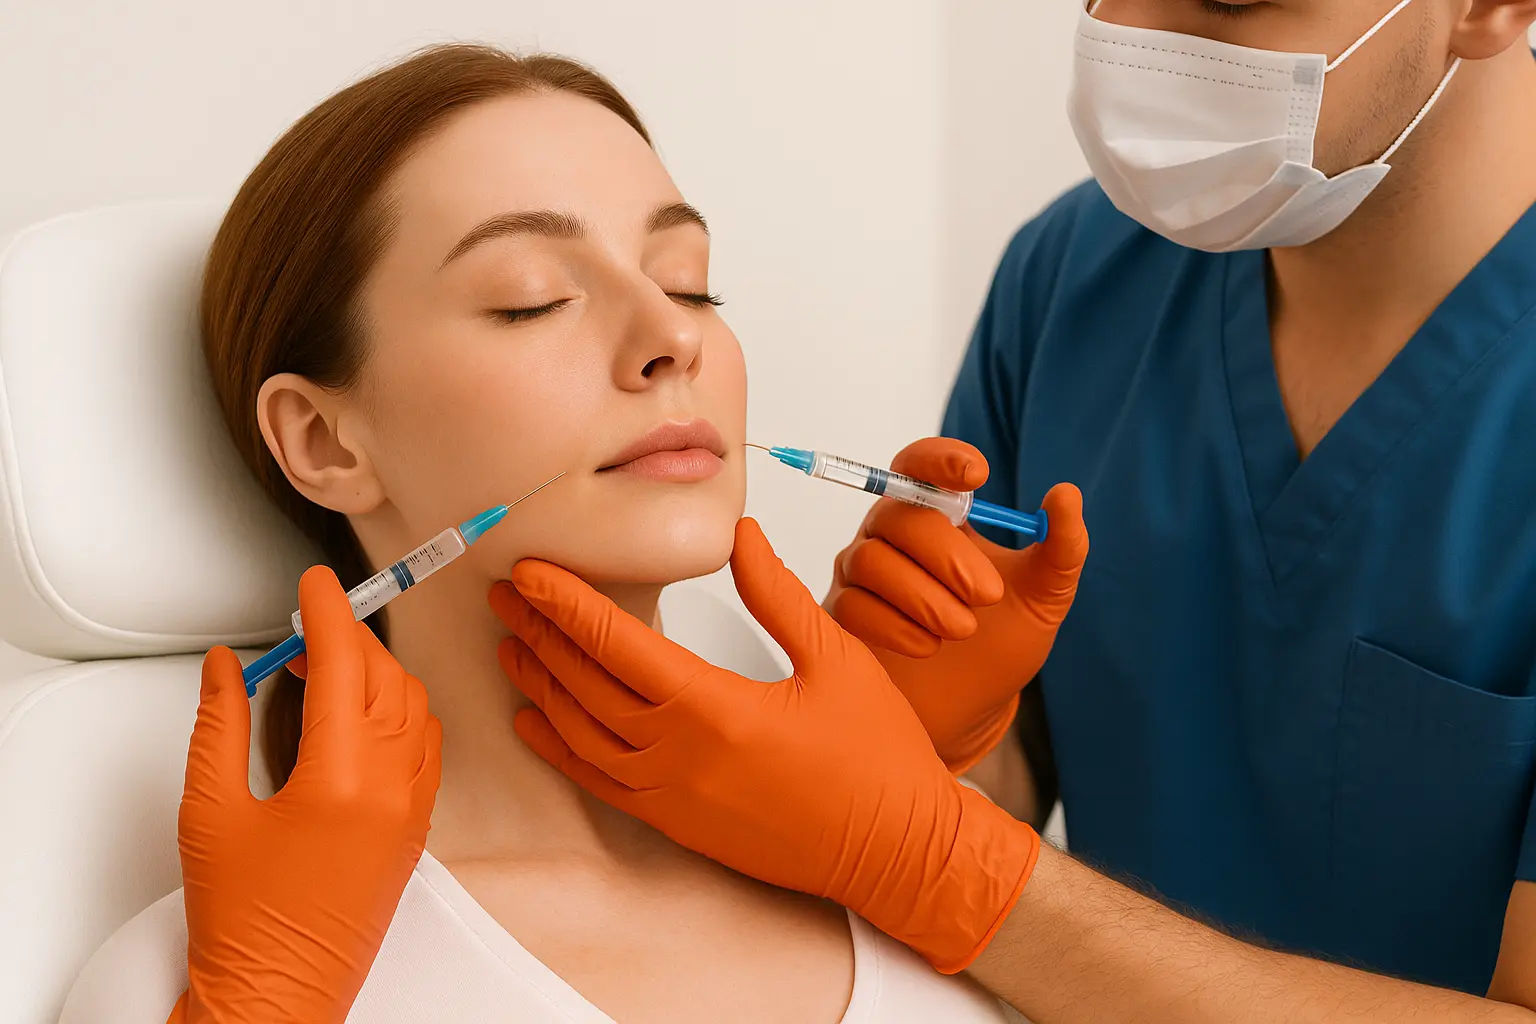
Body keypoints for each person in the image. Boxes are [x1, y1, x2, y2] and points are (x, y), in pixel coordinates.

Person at [498, 0, 1536, 1019]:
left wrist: (941, 861)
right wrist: (936, 733)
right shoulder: (1081, 276)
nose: (1132, 31)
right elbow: (1000, 791)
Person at [57, 45, 1019, 1024]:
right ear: (323, 441)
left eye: (689, 283)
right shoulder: (216, 981)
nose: (673, 336)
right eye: (532, 299)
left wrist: (946, 783)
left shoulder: (923, 877)